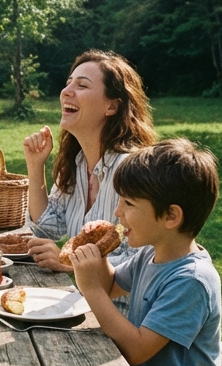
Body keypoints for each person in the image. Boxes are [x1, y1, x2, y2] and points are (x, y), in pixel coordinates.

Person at [67, 138, 222, 366]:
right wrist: (97, 256)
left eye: (128, 203)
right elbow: (111, 285)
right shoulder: (150, 255)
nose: (117, 212)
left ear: (170, 217)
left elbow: (137, 350)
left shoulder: (190, 281)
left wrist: (91, 290)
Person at [23, 50, 156, 274]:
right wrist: (36, 166)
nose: (66, 92)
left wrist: (69, 262)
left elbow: (145, 262)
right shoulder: (78, 163)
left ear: (112, 107)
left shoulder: (134, 171)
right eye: (68, 83)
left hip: (127, 308)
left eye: (82, 86)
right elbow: (47, 228)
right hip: (87, 301)